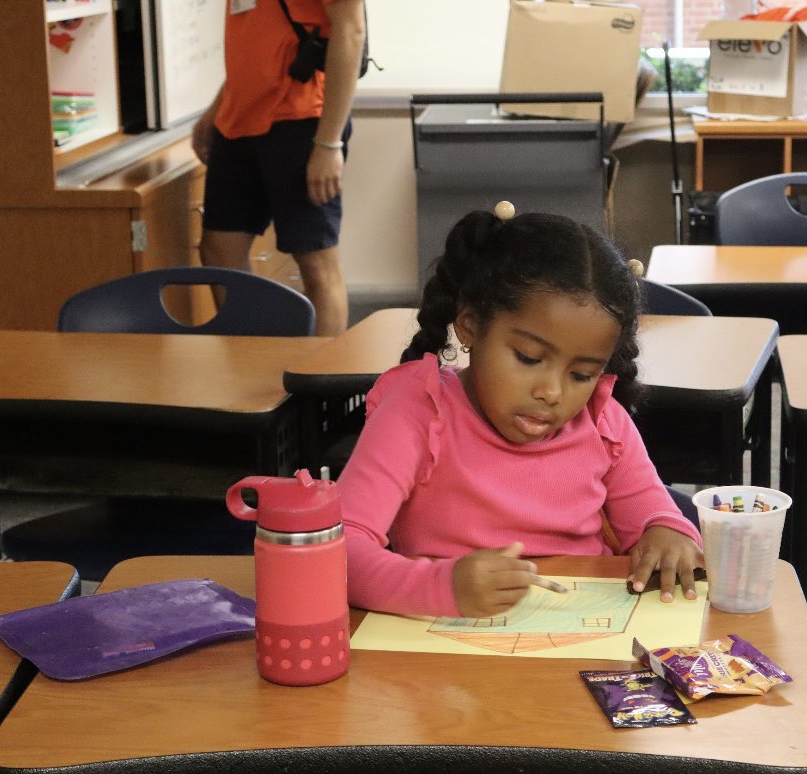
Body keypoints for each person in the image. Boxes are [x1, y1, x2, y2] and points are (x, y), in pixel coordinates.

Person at [335, 205, 704, 618]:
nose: (551, 392)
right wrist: (440, 588)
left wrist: (668, 535)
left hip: (576, 643)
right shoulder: (417, 411)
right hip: (438, 656)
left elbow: (655, 515)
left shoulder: (603, 423)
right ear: (470, 326)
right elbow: (338, 549)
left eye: (581, 374)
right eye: (528, 358)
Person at [191, 0, 366, 337]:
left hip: (302, 120)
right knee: (218, 251)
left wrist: (329, 143)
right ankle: (248, 366)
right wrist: (218, 105)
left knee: (316, 262)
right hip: (238, 120)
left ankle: (325, 387)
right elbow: (259, 39)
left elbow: (351, 30)